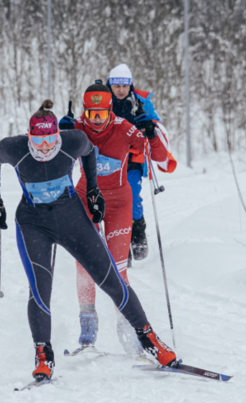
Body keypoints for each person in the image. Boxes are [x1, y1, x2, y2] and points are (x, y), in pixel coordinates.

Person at [0, 99, 178, 381]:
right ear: (29, 137)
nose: (44, 148)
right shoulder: (13, 148)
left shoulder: (72, 141)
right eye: (37, 142)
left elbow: (90, 151)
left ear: (57, 136)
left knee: (111, 278)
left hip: (71, 217)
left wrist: (92, 192)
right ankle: (43, 353)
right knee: (40, 288)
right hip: (33, 223)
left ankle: (149, 338)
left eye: (50, 140)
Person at [59, 81, 168, 356]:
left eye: (101, 114)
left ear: (111, 110)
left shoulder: (123, 127)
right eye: (90, 113)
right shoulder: (78, 127)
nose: (95, 120)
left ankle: (128, 331)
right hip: (85, 198)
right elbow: (47, 156)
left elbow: (159, 156)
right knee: (84, 264)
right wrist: (58, 134)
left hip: (120, 202)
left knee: (118, 270)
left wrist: (151, 132)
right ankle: (87, 329)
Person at [105, 64, 177, 261]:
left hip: (133, 158)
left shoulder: (141, 102)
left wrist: (149, 125)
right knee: (113, 201)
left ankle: (138, 235)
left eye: (124, 86)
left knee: (133, 198)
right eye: (116, 85)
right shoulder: (102, 101)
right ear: (110, 85)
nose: (120, 90)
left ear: (130, 85)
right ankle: (120, 247)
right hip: (109, 159)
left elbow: (157, 125)